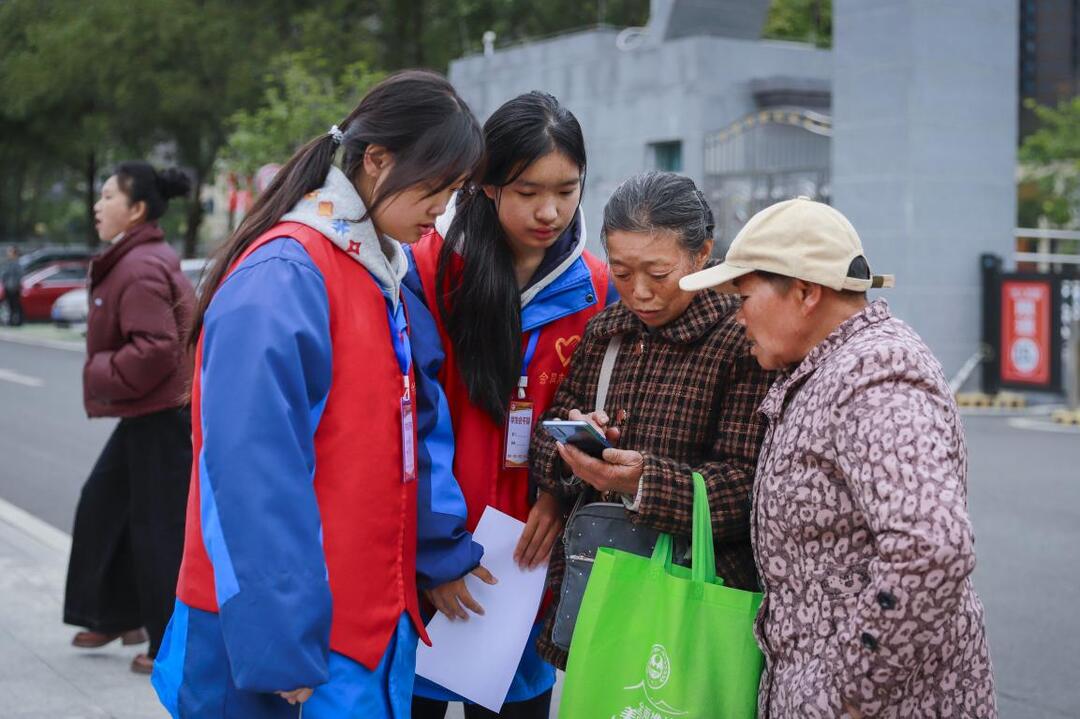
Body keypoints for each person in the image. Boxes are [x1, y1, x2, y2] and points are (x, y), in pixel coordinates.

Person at [150, 70, 486, 718]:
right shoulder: (289, 274)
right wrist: (283, 644)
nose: (440, 209)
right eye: (434, 187)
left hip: (351, 630)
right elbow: (253, 477)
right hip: (289, 645)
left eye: (453, 192)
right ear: (377, 160)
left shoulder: (373, 266)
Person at [679, 197, 997, 718]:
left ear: (804, 292)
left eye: (744, 296)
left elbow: (931, 546)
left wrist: (852, 695)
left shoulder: (875, 374)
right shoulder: (828, 367)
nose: (736, 318)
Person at [409, 91, 615, 719]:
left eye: (567, 189)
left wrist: (557, 493)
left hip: (524, 563)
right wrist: (437, 552)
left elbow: (597, 414)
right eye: (527, 191)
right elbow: (409, 425)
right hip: (424, 551)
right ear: (488, 184)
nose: (549, 211)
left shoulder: (597, 287)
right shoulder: (427, 271)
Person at [529, 171, 775, 670]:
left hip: (692, 597)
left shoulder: (740, 338)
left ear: (702, 255)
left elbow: (754, 486)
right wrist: (577, 442)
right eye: (620, 273)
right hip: (599, 582)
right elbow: (544, 437)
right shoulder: (607, 332)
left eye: (658, 275)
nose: (639, 292)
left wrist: (646, 482)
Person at [63, 161, 195, 675]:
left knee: (158, 528)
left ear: (136, 210)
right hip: (150, 411)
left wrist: (98, 370)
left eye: (108, 196)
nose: (98, 205)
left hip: (163, 415)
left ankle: (166, 641)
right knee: (104, 504)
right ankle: (119, 614)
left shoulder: (138, 266)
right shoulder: (134, 257)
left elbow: (157, 349)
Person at [2, 244, 24, 326]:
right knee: (10, 305)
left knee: (16, 305)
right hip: (8, 288)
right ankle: (11, 321)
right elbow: (4, 275)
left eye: (10, 251)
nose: (8, 253)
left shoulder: (17, 263)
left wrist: (16, 286)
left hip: (14, 288)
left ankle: (18, 321)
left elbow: (19, 276)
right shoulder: (8, 263)